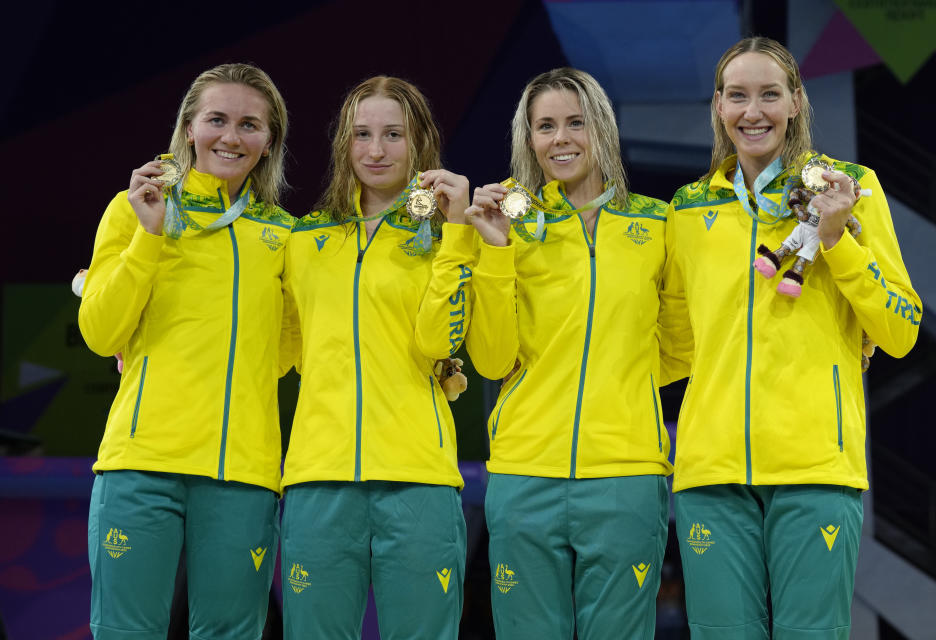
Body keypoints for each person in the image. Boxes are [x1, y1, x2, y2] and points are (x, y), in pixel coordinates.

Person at [661, 37, 922, 638]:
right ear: (718, 108)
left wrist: (837, 241)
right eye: (738, 96)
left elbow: (901, 330)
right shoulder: (688, 209)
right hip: (711, 473)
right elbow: (671, 343)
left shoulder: (851, 188)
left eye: (770, 94)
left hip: (815, 468)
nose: (753, 111)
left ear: (797, 102)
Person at [79, 63, 294, 639]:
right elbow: (100, 332)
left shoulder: (282, 234)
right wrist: (148, 238)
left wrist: (232, 376)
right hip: (142, 463)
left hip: (240, 474)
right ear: (189, 128)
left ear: (268, 139)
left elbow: (287, 345)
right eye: (217, 119)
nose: (231, 136)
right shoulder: (133, 210)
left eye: (250, 124)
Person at [465, 67, 679, 639]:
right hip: (524, 473)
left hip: (626, 474)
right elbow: (490, 359)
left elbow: (682, 345)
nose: (561, 139)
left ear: (601, 128)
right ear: (527, 139)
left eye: (575, 123)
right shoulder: (513, 226)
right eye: (545, 126)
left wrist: (623, 383)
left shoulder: (658, 223)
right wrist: (494, 254)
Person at [279, 76, 474, 640]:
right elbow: (269, 341)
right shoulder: (305, 239)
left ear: (421, 143)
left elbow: (441, 342)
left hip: (418, 482)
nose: (376, 150)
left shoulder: (447, 238)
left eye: (394, 134)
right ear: (344, 143)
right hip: (319, 479)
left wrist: (458, 232)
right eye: (362, 134)